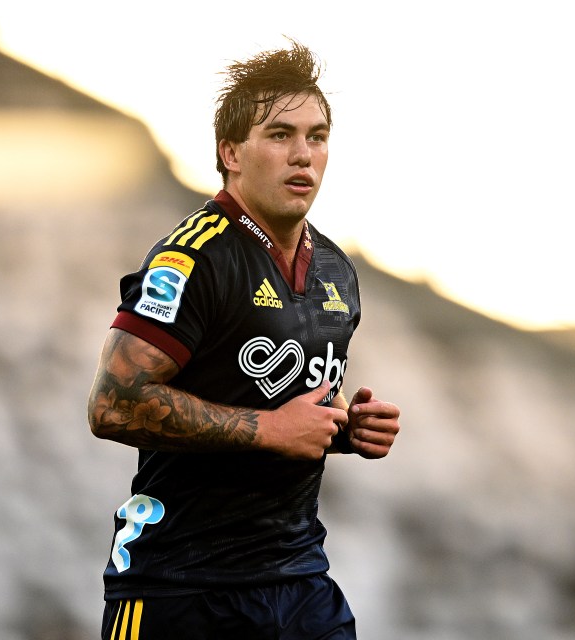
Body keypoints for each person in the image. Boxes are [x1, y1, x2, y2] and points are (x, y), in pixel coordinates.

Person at [87, 39, 401, 640]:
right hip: (178, 588)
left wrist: (345, 430)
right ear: (230, 152)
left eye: (317, 135)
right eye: (280, 135)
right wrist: (271, 430)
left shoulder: (337, 271)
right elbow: (112, 403)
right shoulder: (192, 257)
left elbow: (278, 407)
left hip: (299, 582)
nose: (303, 155)